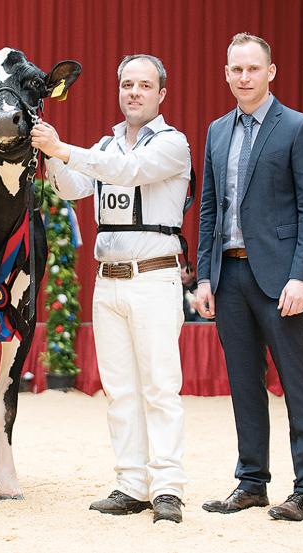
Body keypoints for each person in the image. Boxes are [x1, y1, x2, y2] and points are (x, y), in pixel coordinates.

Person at [31, 53, 191, 524]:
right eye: (127, 85)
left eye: (144, 85)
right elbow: (72, 187)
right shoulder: (106, 144)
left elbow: (127, 172)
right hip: (109, 280)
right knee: (120, 390)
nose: (134, 93)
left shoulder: (171, 144)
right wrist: (52, 158)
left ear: (161, 94)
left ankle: (167, 488)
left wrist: (63, 150)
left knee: (160, 388)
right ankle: (130, 483)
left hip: (155, 276)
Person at [195, 33, 303, 522]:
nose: (244, 77)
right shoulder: (215, 132)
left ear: (271, 72)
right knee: (244, 383)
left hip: (280, 280)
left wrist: (302, 277)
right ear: (226, 73)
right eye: (236, 70)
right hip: (228, 276)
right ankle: (251, 482)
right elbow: (209, 208)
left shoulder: (298, 128)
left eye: (253, 69)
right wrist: (205, 277)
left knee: (297, 382)